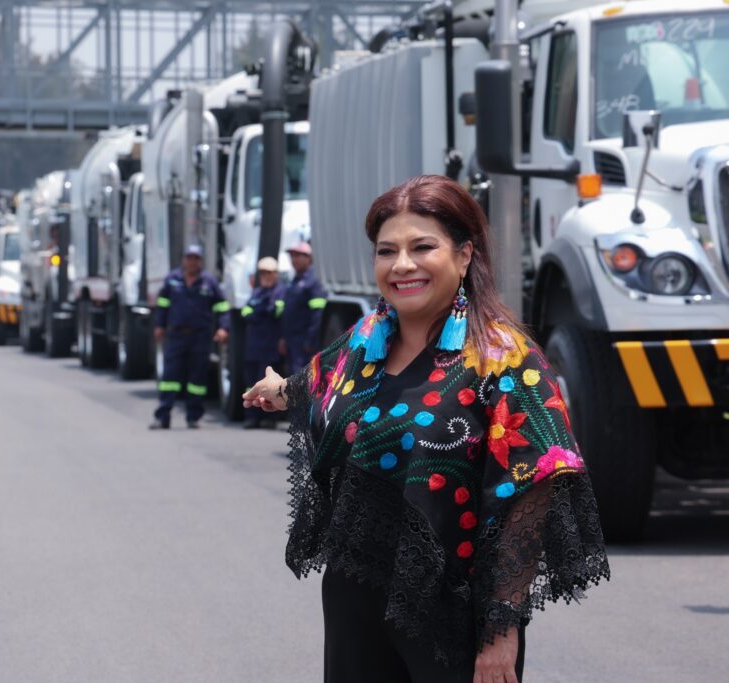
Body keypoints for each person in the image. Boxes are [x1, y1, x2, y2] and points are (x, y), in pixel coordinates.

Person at [243, 175, 609, 682]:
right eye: (386, 251)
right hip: (354, 601)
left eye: (422, 247)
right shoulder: (363, 343)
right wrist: (280, 389)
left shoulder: (505, 359)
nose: (402, 265)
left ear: (463, 256)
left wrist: (501, 632)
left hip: (451, 615)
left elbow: (533, 488)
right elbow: (321, 385)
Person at [150, 245, 230, 430]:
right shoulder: (172, 280)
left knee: (197, 380)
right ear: (183, 260)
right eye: (189, 258)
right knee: (169, 377)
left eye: (196, 258)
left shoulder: (209, 282)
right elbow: (163, 304)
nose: (192, 262)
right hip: (176, 336)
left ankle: (193, 417)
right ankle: (163, 417)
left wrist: (224, 328)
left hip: (200, 337)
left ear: (200, 261)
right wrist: (159, 325)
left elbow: (222, 306)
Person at [242, 256, 286, 429]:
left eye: (269, 273)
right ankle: (252, 417)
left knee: (269, 383)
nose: (266, 276)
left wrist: (258, 311)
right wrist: (260, 310)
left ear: (276, 274)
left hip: (270, 346)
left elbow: (276, 311)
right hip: (253, 345)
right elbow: (246, 313)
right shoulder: (257, 292)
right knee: (251, 381)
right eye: (263, 273)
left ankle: (270, 418)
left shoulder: (281, 292)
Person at [279, 241, 327, 375]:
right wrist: (283, 338)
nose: (294, 260)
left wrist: (310, 341)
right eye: (292, 256)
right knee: (292, 376)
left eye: (298, 256)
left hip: (303, 342)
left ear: (308, 258)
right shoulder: (293, 281)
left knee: (302, 378)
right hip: (291, 341)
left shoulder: (313, 282)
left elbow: (317, 314)